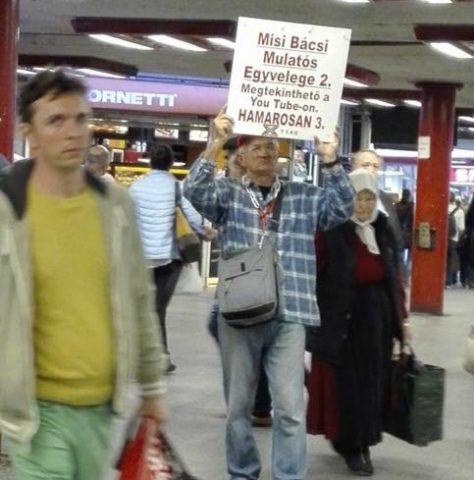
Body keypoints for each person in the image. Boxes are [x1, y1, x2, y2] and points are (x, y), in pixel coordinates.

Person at [0, 69, 165, 479]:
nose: (73, 132)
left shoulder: (116, 207)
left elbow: (139, 299)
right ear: (30, 134)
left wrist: (152, 386)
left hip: (101, 409)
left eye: (80, 118)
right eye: (56, 120)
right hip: (35, 413)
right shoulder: (7, 211)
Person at [183, 108, 355, 480]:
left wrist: (330, 160)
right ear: (241, 157)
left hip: (290, 312)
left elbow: (344, 208)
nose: (266, 151)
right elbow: (193, 191)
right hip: (239, 312)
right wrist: (215, 143)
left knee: (290, 408)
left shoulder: (304, 196)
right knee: (238, 408)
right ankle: (242, 472)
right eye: (256, 146)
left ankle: (288, 475)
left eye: (272, 146)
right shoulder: (227, 195)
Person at [306, 168, 410, 477]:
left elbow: (394, 276)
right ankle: (352, 444)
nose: (363, 206)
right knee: (347, 386)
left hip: (377, 319)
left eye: (368, 199)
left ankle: (363, 440)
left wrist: (402, 320)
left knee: (372, 383)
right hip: (343, 320)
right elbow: (312, 271)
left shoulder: (382, 228)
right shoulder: (332, 229)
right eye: (357, 199)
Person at [129, 142, 213, 374]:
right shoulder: (176, 187)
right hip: (169, 259)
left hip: (142, 259)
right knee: (158, 310)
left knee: (147, 309)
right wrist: (204, 231)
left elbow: (126, 218)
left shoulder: (135, 188)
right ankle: (159, 358)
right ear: (170, 164)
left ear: (150, 162)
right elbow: (191, 215)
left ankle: (148, 357)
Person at [207, 137, 273, 428]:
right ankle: (249, 402)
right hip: (234, 280)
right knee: (227, 330)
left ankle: (255, 404)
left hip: (252, 280)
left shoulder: (256, 192)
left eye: (234, 158)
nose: (232, 163)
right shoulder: (228, 190)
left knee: (247, 336)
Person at [352, 149, 403, 249]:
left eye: (375, 166)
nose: (371, 170)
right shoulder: (343, 197)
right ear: (354, 167)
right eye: (366, 165)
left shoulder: (385, 199)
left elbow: (396, 237)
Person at [395, 188, 414, 284]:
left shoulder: (396, 206)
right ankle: (407, 276)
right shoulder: (412, 206)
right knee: (410, 257)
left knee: (400, 256)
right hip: (410, 234)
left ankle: (402, 276)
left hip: (399, 233)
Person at [446, 194, 465, 287]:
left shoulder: (443, 208)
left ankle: (440, 278)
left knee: (442, 259)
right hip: (453, 238)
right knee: (450, 259)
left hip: (442, 238)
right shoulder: (460, 211)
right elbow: (461, 228)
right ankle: (449, 281)